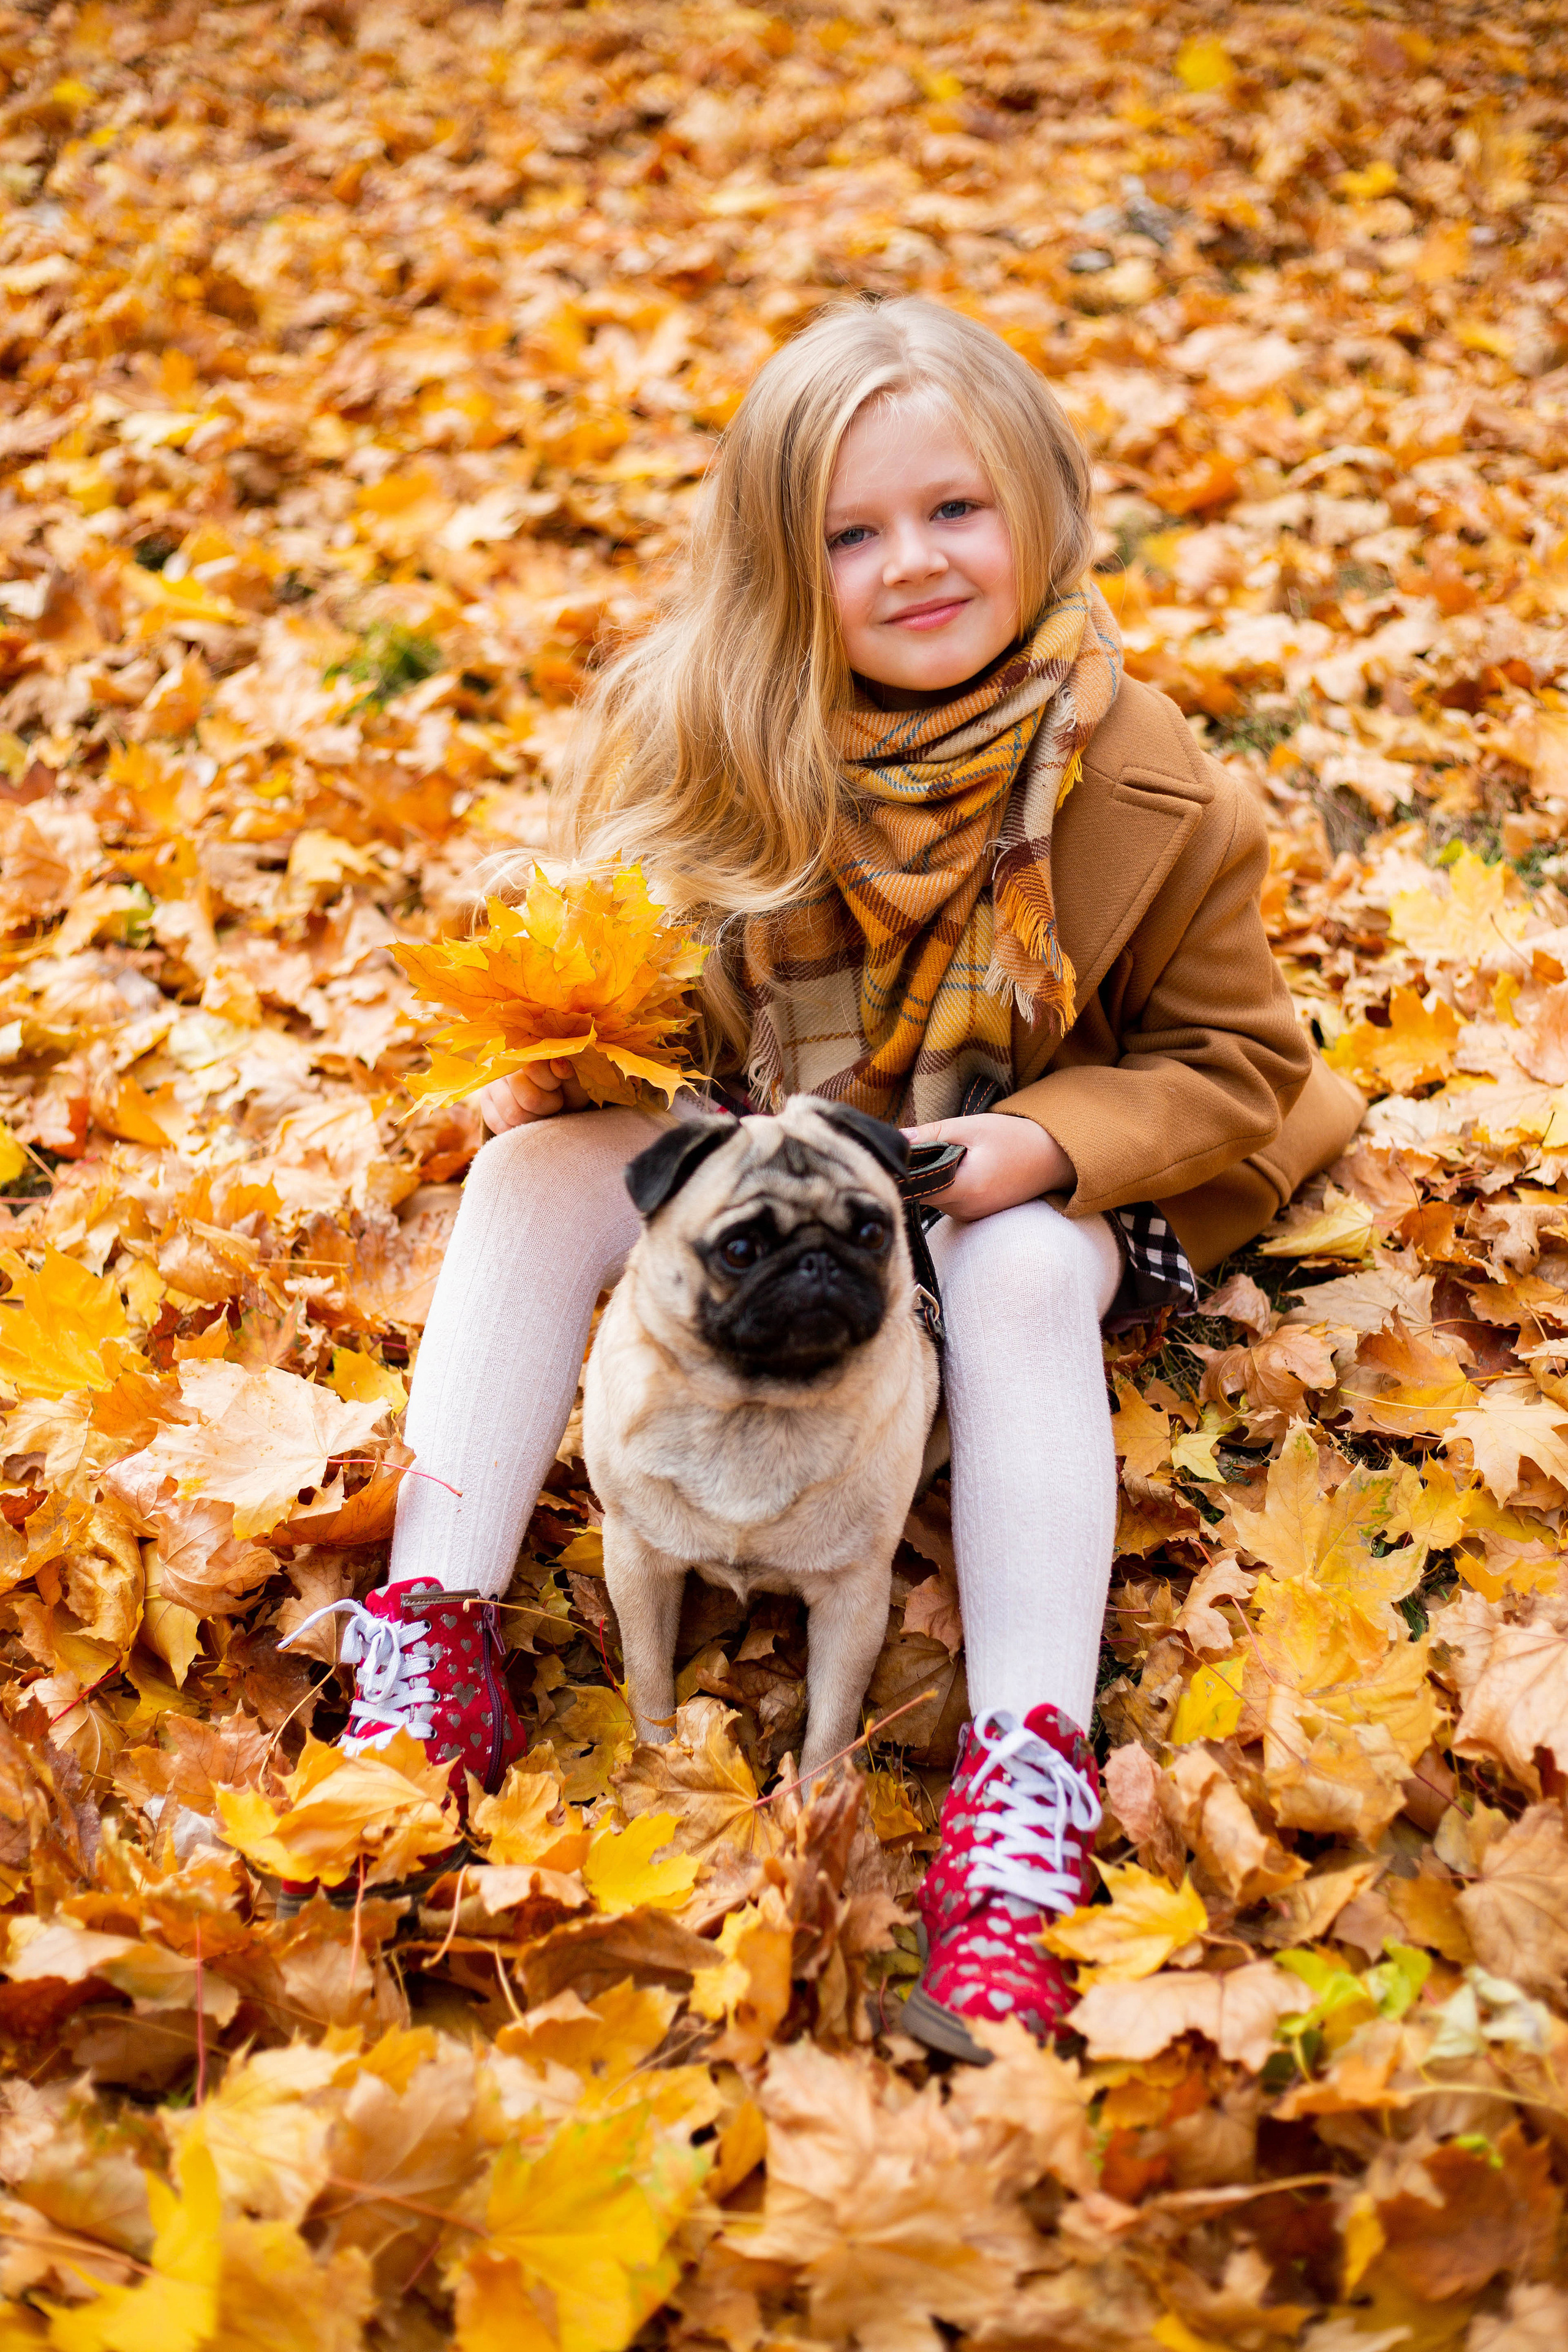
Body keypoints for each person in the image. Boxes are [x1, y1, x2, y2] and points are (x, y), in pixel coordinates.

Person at [292, 297, 1362, 2061]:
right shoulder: (702, 728)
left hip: (1021, 1178)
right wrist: (563, 1068)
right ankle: (433, 1645)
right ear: (781, 564)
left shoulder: (1156, 783)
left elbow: (1236, 1066)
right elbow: (612, 979)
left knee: (1013, 1263)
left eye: (957, 509)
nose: (914, 564)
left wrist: (1028, 1149)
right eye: (851, 534)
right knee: (538, 1180)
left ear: (1045, 497)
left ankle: (1024, 1791)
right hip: (770, 1183)